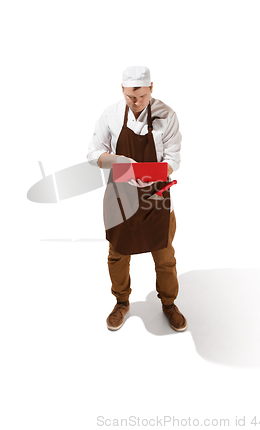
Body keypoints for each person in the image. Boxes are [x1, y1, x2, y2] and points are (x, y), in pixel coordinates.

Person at [87, 66, 187, 332]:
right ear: (122, 90)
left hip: (158, 196)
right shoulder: (110, 115)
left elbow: (173, 160)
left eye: (142, 95)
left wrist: (150, 175)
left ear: (151, 87)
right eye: (131, 96)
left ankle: (169, 304)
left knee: (165, 255)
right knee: (117, 255)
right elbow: (93, 154)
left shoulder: (167, 115)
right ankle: (121, 302)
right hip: (121, 197)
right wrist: (119, 161)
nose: (137, 102)